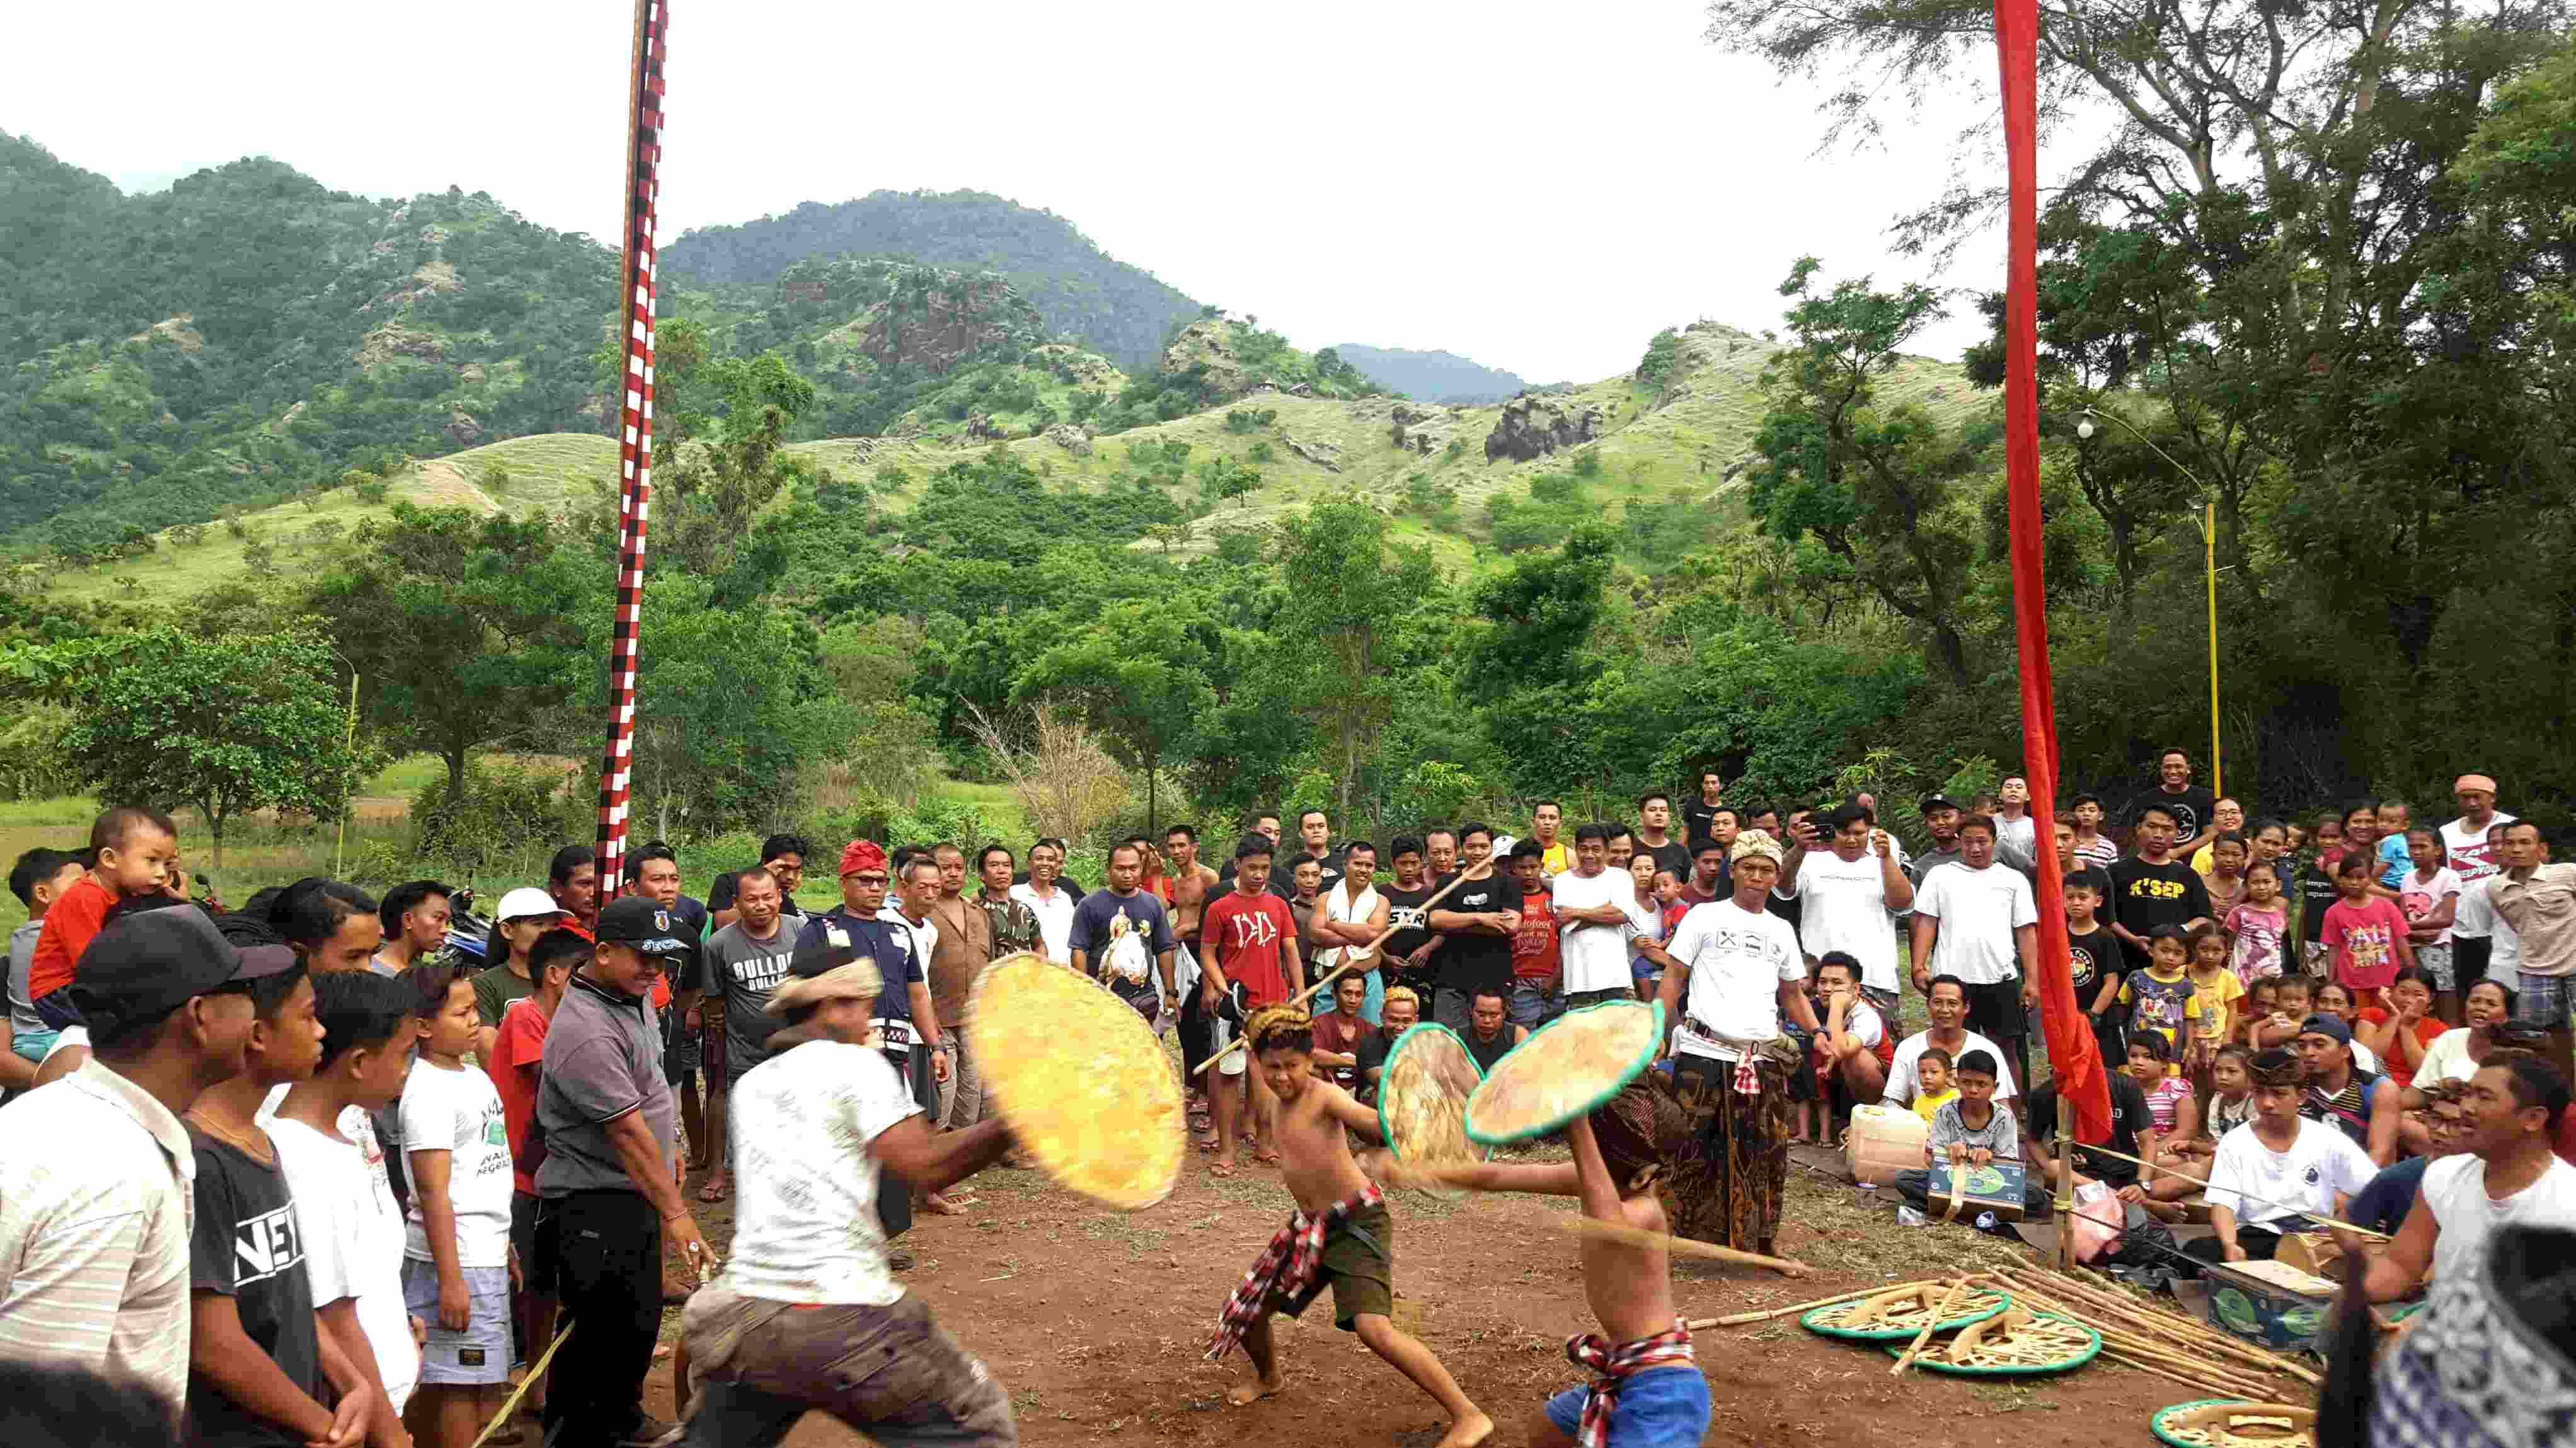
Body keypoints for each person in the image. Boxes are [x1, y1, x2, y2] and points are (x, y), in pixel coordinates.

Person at [674, 927, 1021, 1448]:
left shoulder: (754, 1084)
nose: (867, 1021)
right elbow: (925, 1168)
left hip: (748, 1309)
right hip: (840, 1308)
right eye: (861, 1006)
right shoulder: (859, 1067)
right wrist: (1015, 1120)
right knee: (979, 1426)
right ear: (831, 1005)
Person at [0, 908, 279, 1424]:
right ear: (200, 1016)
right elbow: (44, 1416)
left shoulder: (66, 1116)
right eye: (245, 995)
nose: (260, 1018)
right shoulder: (113, 1176)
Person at [1206, 1006, 1492, 1448]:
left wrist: (1409, 1117)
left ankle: (1468, 1414)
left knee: (1373, 1328)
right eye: (1273, 1067)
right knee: (1251, 1311)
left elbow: (1373, 1125)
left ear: (1312, 1061)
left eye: (1293, 1067)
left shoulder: (1324, 1097)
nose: (1283, 1077)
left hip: (1358, 1222)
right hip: (1312, 1228)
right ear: (1257, 1062)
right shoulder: (1276, 1102)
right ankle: (1269, 1378)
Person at [1383, 1081, 1708, 1448]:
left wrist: (1579, 1126)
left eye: (1592, 1155)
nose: (1586, 1165)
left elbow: (1609, 1223)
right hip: (1629, 1373)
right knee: (1548, 1429)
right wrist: (1420, 1170)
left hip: (1663, 1395)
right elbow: (1497, 1177)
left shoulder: (1643, 1212)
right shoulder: (1598, 1183)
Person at [183, 938, 384, 1448]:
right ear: (257, 1037)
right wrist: (321, 1425)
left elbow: (285, 1296)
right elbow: (213, 1342)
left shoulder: (261, 1140)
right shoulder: (201, 1161)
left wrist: (350, 1382)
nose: (321, 1032)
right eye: (308, 1017)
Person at [532, 896, 708, 1448]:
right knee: (597, 1334)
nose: (656, 970)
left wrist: (673, 1143)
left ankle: (621, 1419)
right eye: (643, 958)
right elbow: (628, 1133)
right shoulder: (585, 1030)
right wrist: (677, 1213)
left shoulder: (628, 995)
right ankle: (577, 1434)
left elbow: (653, 1086)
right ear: (603, 952)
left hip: (632, 1192)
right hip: (593, 1204)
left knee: (635, 1321)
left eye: (664, 959)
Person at [1638, 830, 1819, 1255]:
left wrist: (1819, 1034)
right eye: (1749, 868)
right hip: (1703, 1051)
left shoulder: (1780, 930)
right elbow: (1674, 977)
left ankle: (1755, 1241)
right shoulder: (1703, 918)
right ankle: (1673, 1240)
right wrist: (1656, 1033)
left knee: (1765, 1152)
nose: (1757, 877)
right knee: (1690, 1148)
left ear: (1777, 876)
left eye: (1766, 870)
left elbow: (1792, 994)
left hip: (1760, 1057)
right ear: (1734, 871)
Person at [270, 972, 422, 1435]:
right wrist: (389, 1434)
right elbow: (331, 1315)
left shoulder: (339, 1137)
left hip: (378, 1390)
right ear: (358, 1062)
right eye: (403, 1056)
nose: (406, 1071)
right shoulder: (304, 1158)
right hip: (357, 1412)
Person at [398, 964, 512, 1448]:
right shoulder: (427, 1092)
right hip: (456, 1258)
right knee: (457, 1385)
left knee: (473, 1380)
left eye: (474, 1010)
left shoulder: (470, 1075)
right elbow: (433, 1193)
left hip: (480, 1251)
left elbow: (485, 1169)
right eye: (461, 1012)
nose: (473, 1020)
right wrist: (451, 1278)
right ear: (422, 1026)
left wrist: (502, 1246)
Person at [2354, 1057, 2576, 1304]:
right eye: (2469, 1094)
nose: (2466, 1108)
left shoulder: (2568, 1203)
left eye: (2484, 1097)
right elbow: (2400, 1267)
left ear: (2533, 1119)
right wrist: (2349, 1302)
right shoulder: (2444, 1174)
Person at [486, 928, 582, 1432]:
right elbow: (558, 1078)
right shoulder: (527, 1014)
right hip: (520, 1174)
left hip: (544, 1172)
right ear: (556, 975)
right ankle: (494, 1395)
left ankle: (533, 1389)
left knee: (544, 1286)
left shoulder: (562, 1018)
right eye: (581, 975)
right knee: (512, 1286)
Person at [2183, 1048, 2376, 1268]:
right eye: (2259, 1093)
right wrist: (2230, 1244)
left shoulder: (2328, 1139)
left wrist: (2344, 1225)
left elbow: (2373, 1188)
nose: (2267, 1103)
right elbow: (2223, 1204)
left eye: (2279, 1094)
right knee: (2195, 1253)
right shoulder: (2235, 1142)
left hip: (2315, 1236)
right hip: (2259, 1235)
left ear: (2301, 1097)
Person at [1909, 816, 2040, 1093]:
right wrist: (1919, 966)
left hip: (2000, 978)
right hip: (1951, 981)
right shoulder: (1940, 876)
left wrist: (2032, 980)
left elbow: (2026, 931)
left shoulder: (2013, 879)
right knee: (1950, 1048)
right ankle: (1949, 1110)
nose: (1975, 848)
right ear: (1960, 843)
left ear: (1995, 842)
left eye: (1982, 841)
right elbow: (1927, 921)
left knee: (2006, 1049)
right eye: (1968, 842)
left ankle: (2012, 1115)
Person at [26, 805, 179, 1033]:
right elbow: (90, 962)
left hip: (90, 980)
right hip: (59, 991)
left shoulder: (128, 891)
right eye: (152, 860)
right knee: (140, 1019)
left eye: (167, 864)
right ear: (109, 859)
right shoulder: (84, 897)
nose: (160, 873)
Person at [1202, 836, 1303, 1178]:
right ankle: (1228, 1150)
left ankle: (1266, 1143)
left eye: (1265, 868)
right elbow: (1208, 955)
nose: (1259, 874)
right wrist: (1221, 988)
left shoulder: (1278, 905)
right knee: (1230, 1075)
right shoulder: (1220, 907)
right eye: (1253, 867)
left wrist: (1299, 995)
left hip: (1273, 1005)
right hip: (1236, 1006)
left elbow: (1290, 951)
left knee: (1271, 1075)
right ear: (1237, 865)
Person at [697, 866, 798, 1206]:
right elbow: (714, 1000)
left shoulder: (801, 932)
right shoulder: (718, 945)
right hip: (743, 1047)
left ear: (780, 897)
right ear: (737, 903)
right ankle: (718, 1172)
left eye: (768, 897)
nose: (761, 905)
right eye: (751, 899)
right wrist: (720, 1038)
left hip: (794, 1048)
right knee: (726, 1102)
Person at [1776, 804, 1913, 1015]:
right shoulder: (1811, 861)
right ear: (1832, 832)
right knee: (1817, 1045)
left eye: (1859, 833)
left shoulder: (1882, 864)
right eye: (1844, 833)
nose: (1851, 840)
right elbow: (1782, 887)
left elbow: (1902, 904)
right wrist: (1799, 848)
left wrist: (1886, 858)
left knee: (1876, 1046)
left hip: (1875, 980)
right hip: (1819, 980)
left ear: (1869, 832)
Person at [1893, 1051, 2041, 1217]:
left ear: (1995, 1088)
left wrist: (1991, 1156)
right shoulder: (1946, 1112)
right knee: (1904, 1178)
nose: (1973, 1090)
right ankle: (1984, 1210)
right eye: (1966, 1082)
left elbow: (2010, 1167)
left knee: (2035, 1195)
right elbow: (1929, 1158)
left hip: (1989, 1181)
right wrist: (1947, 1152)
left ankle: (1940, 1204)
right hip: (1951, 1178)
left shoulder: (2005, 1118)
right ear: (1956, 1082)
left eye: (1982, 1084)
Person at [2490, 820, 2576, 1085]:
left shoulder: (2567, 873)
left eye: (2525, 842)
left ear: (2542, 849)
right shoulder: (2495, 888)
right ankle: (2564, 1098)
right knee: (2538, 1042)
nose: (2517, 849)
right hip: (2534, 972)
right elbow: (2519, 925)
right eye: (2510, 843)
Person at [2025, 1047, 2161, 1198]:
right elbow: (2033, 1140)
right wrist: (2052, 1170)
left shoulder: (2125, 1085)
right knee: (2054, 1168)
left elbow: (2148, 1142)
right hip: (2081, 1178)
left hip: (2128, 1175)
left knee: (2191, 1170)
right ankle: (2140, 1203)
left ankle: (2129, 1199)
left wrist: (2141, 1184)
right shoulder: (2044, 1094)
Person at [923, 842, 994, 1130]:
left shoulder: (978, 913)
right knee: (945, 1088)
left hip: (973, 1017)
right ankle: (936, 1148)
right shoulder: (923, 915)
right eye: (944, 867)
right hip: (938, 1016)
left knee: (972, 1089)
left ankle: (960, 1152)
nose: (952, 873)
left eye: (958, 867)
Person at [2343, 1081, 2470, 1237]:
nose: (2442, 1131)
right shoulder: (2398, 1176)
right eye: (2436, 1119)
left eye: (2456, 1124)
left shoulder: (2487, 1179)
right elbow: (2344, 1225)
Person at [1427, 824, 1521, 1037]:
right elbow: (1435, 920)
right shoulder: (1448, 882)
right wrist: (1481, 918)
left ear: (1492, 848)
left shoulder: (1507, 883)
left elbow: (1511, 925)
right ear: (1462, 849)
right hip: (1452, 979)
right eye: (1471, 847)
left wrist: (1457, 924)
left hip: (1495, 982)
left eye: (1483, 846)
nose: (1477, 852)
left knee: (1494, 1043)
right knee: (1447, 1043)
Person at [1070, 842, 1180, 1020]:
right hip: (1101, 998)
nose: (1127, 874)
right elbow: (1079, 950)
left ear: (1142, 868)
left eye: (1133, 868)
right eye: (1120, 869)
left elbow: (1164, 949)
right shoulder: (1089, 905)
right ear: (1108, 870)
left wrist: (1170, 992)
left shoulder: (1152, 904)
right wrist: (1084, 992)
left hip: (1143, 998)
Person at [2108, 803, 2216, 977]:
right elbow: (2106, 917)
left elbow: (2203, 916)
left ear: (2177, 834)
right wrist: (2132, 939)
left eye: (2167, 829)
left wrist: (2180, 931)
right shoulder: (2116, 871)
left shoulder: (2188, 875)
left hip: (2174, 971)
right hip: (2124, 964)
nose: (2158, 834)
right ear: (2138, 828)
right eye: (2152, 827)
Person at [6, 846, 85, 1081]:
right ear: (43, 893)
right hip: (51, 1038)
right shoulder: (56, 936)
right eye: (80, 885)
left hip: (26, 1039)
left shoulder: (22, 936)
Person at [1553, 824, 1648, 1013]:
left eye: (1596, 849)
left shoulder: (1621, 877)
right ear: (1576, 848)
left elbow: (1623, 916)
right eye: (1584, 849)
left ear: (1606, 850)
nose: (1590, 855)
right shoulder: (1563, 880)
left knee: (1619, 1037)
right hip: (1579, 980)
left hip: (1616, 979)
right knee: (1583, 1039)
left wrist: (1577, 912)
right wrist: (1608, 911)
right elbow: (1566, 920)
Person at [1885, 975, 2020, 1108]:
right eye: (1938, 1002)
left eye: (1952, 1003)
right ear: (1928, 1005)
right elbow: (1893, 1101)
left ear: (1966, 1008)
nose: (1944, 1010)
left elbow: (2002, 1104)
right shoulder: (1908, 1048)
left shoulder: (1987, 1049)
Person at [469, 888, 567, 1066]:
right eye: (538, 924)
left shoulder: (569, 981)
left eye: (554, 925)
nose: (548, 932)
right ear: (507, 931)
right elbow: (489, 1055)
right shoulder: (486, 985)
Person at [2297, 1012, 2403, 1166]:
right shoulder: (2295, 1087)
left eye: (2319, 1045)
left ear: (2345, 1052)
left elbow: (2379, 1156)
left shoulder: (2379, 1089)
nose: (2309, 1053)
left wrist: (2343, 1190)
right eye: (2302, 1046)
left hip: (2365, 1179)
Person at [2325, 849, 2417, 1010]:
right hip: (2352, 983)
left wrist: (2410, 973)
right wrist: (2331, 980)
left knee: (2387, 1019)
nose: (2354, 882)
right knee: (2358, 1020)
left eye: (2360, 877)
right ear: (2340, 879)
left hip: (2388, 981)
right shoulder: (2333, 912)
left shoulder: (2387, 906)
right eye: (2348, 877)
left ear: (2370, 879)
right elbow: (2334, 948)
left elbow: (2401, 941)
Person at [1312, 840, 1388, 1027]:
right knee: (1319, 1037)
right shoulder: (1325, 898)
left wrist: (1333, 925)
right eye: (1358, 863)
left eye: (1369, 865)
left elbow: (1373, 933)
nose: (1363, 869)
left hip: (1367, 981)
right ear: (1345, 865)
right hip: (1331, 981)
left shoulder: (1381, 901)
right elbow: (1315, 934)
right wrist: (1359, 935)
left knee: (1371, 1039)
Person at [1808, 953, 1891, 1114]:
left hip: (1879, 1090)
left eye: (1837, 983)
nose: (1827, 989)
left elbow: (1838, 1050)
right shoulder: (1815, 1007)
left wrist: (1837, 1005)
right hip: (1834, 1081)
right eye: (1822, 982)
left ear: (1855, 989)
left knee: (1855, 1057)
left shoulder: (1865, 1016)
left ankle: (1870, 1116)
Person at [2119, 924, 2210, 1069]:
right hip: (2137, 1055)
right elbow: (2121, 1008)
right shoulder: (2136, 978)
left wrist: (2188, 1048)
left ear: (2186, 957)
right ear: (2151, 951)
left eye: (2178, 953)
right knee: (2134, 1088)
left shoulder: (2186, 986)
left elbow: (2190, 1018)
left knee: (2167, 1088)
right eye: (2164, 951)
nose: (2170, 957)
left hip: (2171, 1055)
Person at [2396, 827, 2464, 1016]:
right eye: (2412, 847)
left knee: (2444, 999)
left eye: (2422, 846)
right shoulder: (2408, 878)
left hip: (2439, 948)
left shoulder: (2448, 877)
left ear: (2437, 850)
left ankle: (2449, 1036)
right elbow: (2402, 916)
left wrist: (2406, 928)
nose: (2416, 852)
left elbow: (2446, 919)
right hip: (2412, 948)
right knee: (2417, 1001)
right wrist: (2411, 931)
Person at [2064, 871, 2127, 1068]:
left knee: (2106, 1070)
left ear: (2098, 901)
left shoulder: (2105, 937)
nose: (2076, 902)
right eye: (2070, 897)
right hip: (2068, 1019)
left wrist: (2092, 1015)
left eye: (2083, 897)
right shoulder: (2058, 936)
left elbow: (2112, 982)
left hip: (2102, 1019)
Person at [1377, 836, 1446, 1009]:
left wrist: (1427, 949)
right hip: (1387, 973)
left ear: (1421, 863)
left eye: (1414, 863)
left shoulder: (1431, 894)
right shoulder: (1380, 893)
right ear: (1393, 863)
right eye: (1403, 863)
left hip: (1425, 974)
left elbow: (1443, 932)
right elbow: (1369, 934)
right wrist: (1385, 958)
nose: (1409, 868)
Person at [1505, 842, 1563, 1031]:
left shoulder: (1556, 897)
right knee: (1526, 1038)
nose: (1528, 873)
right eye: (1522, 868)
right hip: (1520, 981)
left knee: (1558, 1037)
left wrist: (1556, 977)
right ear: (1513, 869)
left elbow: (1566, 939)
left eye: (1533, 867)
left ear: (1542, 867)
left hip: (1555, 979)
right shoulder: (1507, 898)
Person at [2361, 967, 2449, 1091]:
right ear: (2392, 991)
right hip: (2374, 1086)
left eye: (2418, 995)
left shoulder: (2438, 1028)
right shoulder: (2371, 1015)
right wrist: (2394, 1017)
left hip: (2415, 1091)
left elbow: (2424, 1072)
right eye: (2403, 993)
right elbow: (2365, 1060)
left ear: (2430, 998)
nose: (2408, 1000)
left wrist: (2406, 1028)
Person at [2134, 748, 2219, 856]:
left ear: (2188, 769)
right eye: (2167, 767)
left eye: (2178, 766)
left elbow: (2211, 834)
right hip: (2155, 858)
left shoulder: (2205, 797)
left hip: (2195, 861)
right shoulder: (2146, 799)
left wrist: (2177, 852)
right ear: (2161, 769)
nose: (2173, 771)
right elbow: (2140, 836)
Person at [1011, 839, 1081, 964]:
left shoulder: (1064, 898)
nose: (1045, 863)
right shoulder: (1014, 894)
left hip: (1063, 973)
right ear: (1030, 863)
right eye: (1039, 859)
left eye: (1050, 859)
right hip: (1027, 972)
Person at [2187, 925, 2248, 1065]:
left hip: (2216, 1038)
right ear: (2194, 949)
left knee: (2214, 1074)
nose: (2210, 956)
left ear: (2226, 952)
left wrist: (2227, 1037)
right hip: (2188, 1036)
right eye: (2204, 949)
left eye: (2217, 951)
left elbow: (2232, 1010)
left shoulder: (2228, 978)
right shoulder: (2182, 973)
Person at [2439, 773, 2514, 883]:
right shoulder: (2446, 832)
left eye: (2477, 797)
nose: (2472, 803)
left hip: (2505, 897)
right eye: (2465, 798)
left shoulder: (2512, 825)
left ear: (2493, 798)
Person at [371, 882, 454, 978]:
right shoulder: (368, 980)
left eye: (447, 922)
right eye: (439, 918)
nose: (445, 930)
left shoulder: (427, 976)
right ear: (408, 920)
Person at [1353, 986, 1419, 1105]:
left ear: (1416, 1021)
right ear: (1382, 1017)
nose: (1399, 1027)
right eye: (1393, 1020)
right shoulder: (1369, 1043)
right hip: (1373, 1111)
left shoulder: (1424, 1042)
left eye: (1406, 1021)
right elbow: (1384, 1082)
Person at [1309, 974, 1372, 1089]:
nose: (1353, 1000)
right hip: (1326, 1092)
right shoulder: (1318, 1024)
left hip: (1361, 1094)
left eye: (1358, 994)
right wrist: (1355, 1062)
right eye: (1348, 993)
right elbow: (1312, 1054)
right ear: (1334, 994)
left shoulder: (1370, 1029)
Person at [1460, 987, 1526, 1076]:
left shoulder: (1518, 1036)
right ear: (1470, 1011)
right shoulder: (1457, 1038)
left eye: (1494, 1015)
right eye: (1481, 1014)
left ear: (1504, 1013)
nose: (1487, 1020)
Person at [1905, 795, 1968, 887]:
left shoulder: (1976, 854)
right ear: (1927, 823)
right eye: (1933, 819)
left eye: (1946, 816)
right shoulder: (1922, 866)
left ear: (1961, 819)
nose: (1940, 822)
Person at [1633, 793, 1693, 883]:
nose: (1659, 813)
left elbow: (1682, 888)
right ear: (1641, 817)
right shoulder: (1630, 848)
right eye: (1652, 810)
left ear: (1668, 817)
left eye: (1663, 810)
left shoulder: (1681, 852)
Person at [546, 846, 600, 936]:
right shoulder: (544, 933)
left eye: (600, 884)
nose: (594, 893)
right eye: (585, 884)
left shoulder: (609, 930)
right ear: (557, 888)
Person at [1993, 775, 2038, 869]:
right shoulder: (1989, 822)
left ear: (2028, 796)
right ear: (2000, 795)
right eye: (2009, 787)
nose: (2013, 790)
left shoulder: (2035, 826)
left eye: (2019, 787)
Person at [1680, 771, 1727, 856]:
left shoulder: (1725, 810)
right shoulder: (1692, 805)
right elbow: (1685, 830)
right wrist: (1680, 852)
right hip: (1692, 856)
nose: (1710, 786)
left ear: (1721, 786)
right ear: (1703, 786)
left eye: (1714, 783)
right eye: (1707, 783)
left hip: (1716, 857)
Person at [1909, 1047, 1958, 1125]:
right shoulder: (1918, 1103)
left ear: (1948, 1076)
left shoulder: (1957, 1100)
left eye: (1934, 1072)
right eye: (1923, 1072)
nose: (1927, 1076)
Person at [2069, 794, 2119, 869]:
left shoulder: (2109, 847)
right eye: (2081, 810)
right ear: (2073, 815)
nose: (2086, 814)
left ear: (2101, 816)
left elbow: (2114, 875)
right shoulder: (2066, 842)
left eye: (2092, 810)